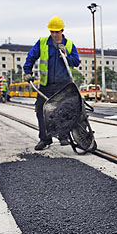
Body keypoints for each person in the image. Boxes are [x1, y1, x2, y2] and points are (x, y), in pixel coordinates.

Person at [23, 16, 81, 150]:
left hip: (63, 86)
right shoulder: (43, 43)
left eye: (57, 32)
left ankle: (63, 136)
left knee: (64, 111)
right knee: (41, 110)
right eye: (52, 32)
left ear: (62, 30)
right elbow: (31, 56)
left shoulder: (69, 44)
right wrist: (27, 71)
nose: (54, 34)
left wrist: (66, 55)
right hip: (46, 85)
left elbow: (76, 62)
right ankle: (45, 139)